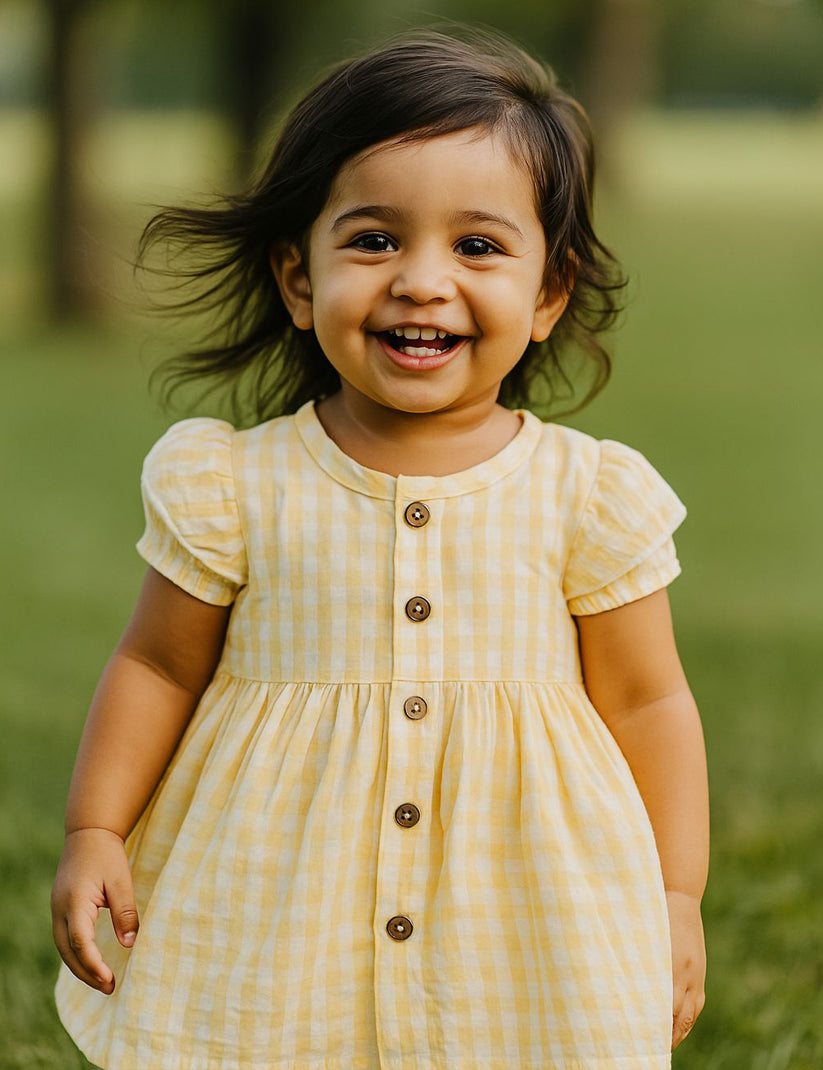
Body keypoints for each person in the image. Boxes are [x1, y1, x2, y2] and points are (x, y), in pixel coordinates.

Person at [50, 24, 709, 1070]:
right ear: (298, 278)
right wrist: (95, 828)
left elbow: (646, 702)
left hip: (522, 904)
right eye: (373, 240)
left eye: (477, 246)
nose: (421, 281)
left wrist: (673, 896)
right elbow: (159, 664)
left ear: (548, 293)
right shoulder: (235, 484)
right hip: (275, 899)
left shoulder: (586, 495)